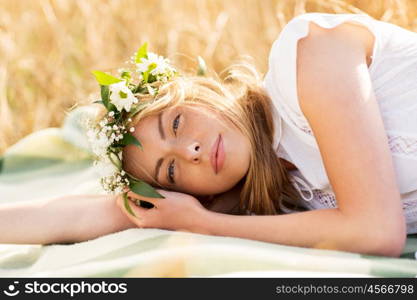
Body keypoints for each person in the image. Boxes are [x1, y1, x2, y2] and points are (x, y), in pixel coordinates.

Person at [1, 12, 416, 258]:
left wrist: (204, 225)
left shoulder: (308, 56)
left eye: (177, 124)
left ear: (201, 93)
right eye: (171, 171)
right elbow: (102, 212)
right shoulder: (268, 197)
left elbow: (376, 232)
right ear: (197, 194)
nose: (191, 151)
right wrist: (199, 216)